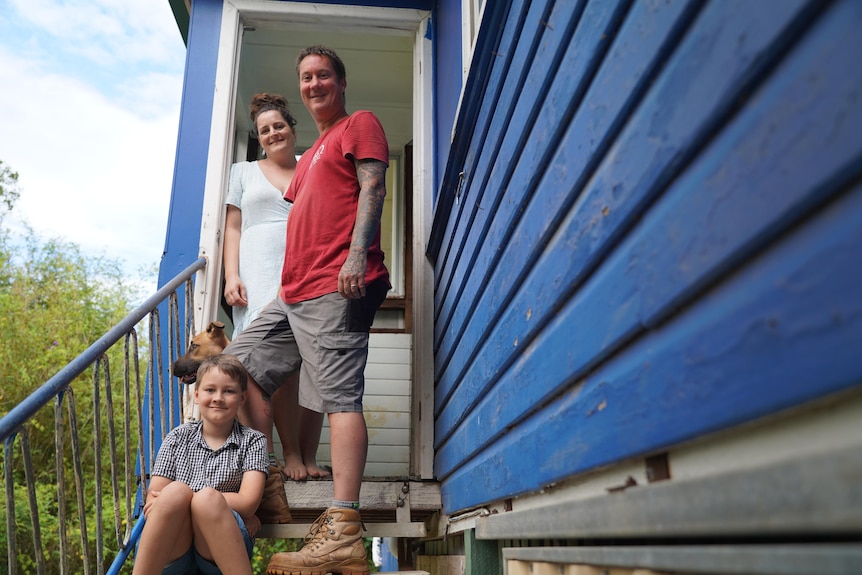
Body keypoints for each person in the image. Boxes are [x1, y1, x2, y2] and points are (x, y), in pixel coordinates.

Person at [223, 45, 390, 575]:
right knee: (234, 365)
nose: (314, 84)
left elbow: (372, 185)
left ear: (340, 81)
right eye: (306, 77)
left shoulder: (357, 124)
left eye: (322, 75)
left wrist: (357, 254)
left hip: (335, 286)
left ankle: (342, 529)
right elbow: (300, 217)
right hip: (292, 293)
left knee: (340, 398)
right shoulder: (311, 155)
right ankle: (267, 475)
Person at [223, 92, 328, 483]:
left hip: (304, 270)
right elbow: (233, 227)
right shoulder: (242, 171)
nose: (272, 133)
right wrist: (230, 276)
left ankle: (298, 452)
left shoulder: (310, 165)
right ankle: (264, 457)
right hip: (257, 272)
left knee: (300, 367)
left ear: (291, 127)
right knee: (258, 364)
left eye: (279, 126)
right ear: (259, 136)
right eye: (264, 130)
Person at [132, 355, 267, 575]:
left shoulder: (253, 441)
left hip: (221, 551)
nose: (218, 398)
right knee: (176, 492)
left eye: (229, 391)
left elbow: (248, 502)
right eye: (210, 390)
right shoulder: (177, 437)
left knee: (204, 499)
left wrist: (200, 498)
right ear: (196, 395)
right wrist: (187, 497)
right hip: (174, 549)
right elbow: (155, 496)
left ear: (242, 398)